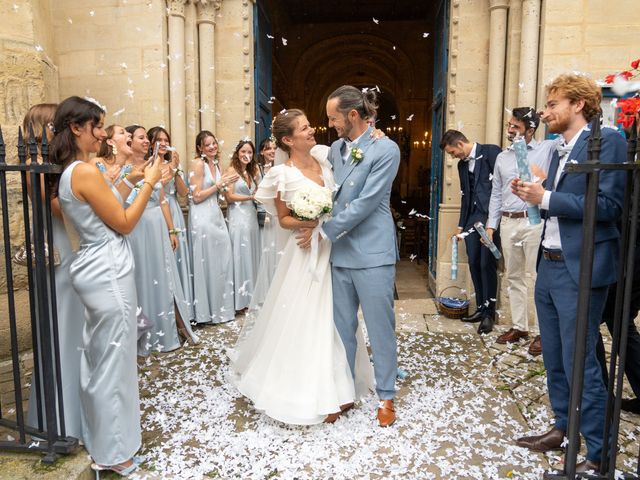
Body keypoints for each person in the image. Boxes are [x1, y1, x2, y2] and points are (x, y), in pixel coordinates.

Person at [229, 109, 373, 425]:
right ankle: (318, 393)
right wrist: (310, 221)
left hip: (334, 248)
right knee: (311, 316)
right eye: (304, 128)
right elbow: (283, 219)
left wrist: (375, 136)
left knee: (340, 315)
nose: (312, 131)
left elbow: (350, 176)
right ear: (288, 139)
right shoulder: (281, 174)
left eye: (310, 126)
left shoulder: (324, 159)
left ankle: (342, 383)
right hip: (306, 254)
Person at [512, 73, 626, 473]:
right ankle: (564, 427)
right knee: (556, 359)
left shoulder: (607, 141)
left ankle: (598, 453)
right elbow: (562, 201)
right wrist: (534, 194)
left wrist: (546, 197)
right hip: (550, 263)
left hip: (583, 267)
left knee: (582, 362)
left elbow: (609, 206)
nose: (545, 112)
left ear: (578, 104)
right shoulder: (559, 149)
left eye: (554, 104)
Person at [52, 96, 162, 476]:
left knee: (101, 358)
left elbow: (113, 211)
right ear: (75, 128)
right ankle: (113, 454)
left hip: (100, 265)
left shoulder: (76, 171)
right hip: (106, 268)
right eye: (97, 127)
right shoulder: (81, 173)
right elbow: (126, 222)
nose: (102, 134)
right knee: (112, 364)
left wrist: (132, 182)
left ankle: (104, 441)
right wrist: (148, 182)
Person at [310, 85, 402, 427]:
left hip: (373, 252)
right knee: (341, 330)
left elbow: (365, 202)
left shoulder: (386, 149)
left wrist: (324, 231)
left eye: (334, 117)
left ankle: (387, 396)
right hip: (340, 255)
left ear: (352, 115)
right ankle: (344, 391)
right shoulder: (334, 148)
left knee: (381, 329)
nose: (330, 123)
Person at [23, 103, 87, 443]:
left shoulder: (55, 166)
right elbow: (62, 211)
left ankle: (76, 413)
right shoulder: (38, 167)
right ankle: (62, 421)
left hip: (67, 245)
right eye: (58, 124)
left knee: (74, 329)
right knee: (61, 328)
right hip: (56, 248)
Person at [124, 125, 199, 354]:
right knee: (142, 278)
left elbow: (164, 199)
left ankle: (171, 328)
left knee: (165, 277)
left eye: (148, 138)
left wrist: (172, 230)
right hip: (138, 227)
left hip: (159, 225)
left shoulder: (152, 166)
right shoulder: (124, 169)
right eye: (142, 138)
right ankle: (143, 335)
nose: (147, 141)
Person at [486, 108, 555, 354]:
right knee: (513, 275)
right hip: (508, 222)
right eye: (509, 125)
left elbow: (567, 143)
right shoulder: (502, 157)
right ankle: (519, 327)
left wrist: (549, 117)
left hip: (534, 221)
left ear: (531, 129)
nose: (510, 130)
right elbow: (496, 192)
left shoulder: (546, 150)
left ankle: (541, 332)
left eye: (516, 126)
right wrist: (491, 224)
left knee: (535, 277)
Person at [440, 129, 501, 334]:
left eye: (452, 152)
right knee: (474, 262)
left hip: (490, 217)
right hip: (472, 219)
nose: (453, 156)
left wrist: (493, 221)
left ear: (459, 144)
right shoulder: (462, 165)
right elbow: (465, 196)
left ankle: (489, 314)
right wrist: (460, 226)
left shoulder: (491, 152)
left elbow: (501, 186)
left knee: (487, 263)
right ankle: (480, 308)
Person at [188, 130, 237, 324]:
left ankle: (221, 309)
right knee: (206, 260)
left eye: (214, 143)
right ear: (200, 148)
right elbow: (196, 196)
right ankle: (204, 313)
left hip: (216, 215)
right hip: (202, 217)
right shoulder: (197, 164)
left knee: (222, 260)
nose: (212, 147)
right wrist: (219, 185)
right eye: (207, 145)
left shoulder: (216, 164)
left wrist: (225, 187)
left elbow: (218, 192)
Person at [225, 140, 261, 312]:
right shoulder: (231, 171)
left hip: (251, 217)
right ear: (237, 153)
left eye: (250, 152)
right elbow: (229, 197)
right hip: (238, 216)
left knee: (251, 254)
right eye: (243, 151)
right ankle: (239, 300)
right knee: (240, 254)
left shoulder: (252, 171)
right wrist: (250, 198)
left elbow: (259, 191)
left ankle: (251, 297)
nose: (247, 155)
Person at [252, 138, 287, 307]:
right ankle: (267, 289)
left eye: (274, 148)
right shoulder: (257, 170)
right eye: (268, 149)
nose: (272, 151)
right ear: (262, 152)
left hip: (280, 215)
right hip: (265, 215)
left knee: (279, 249)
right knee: (267, 249)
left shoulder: (283, 168)